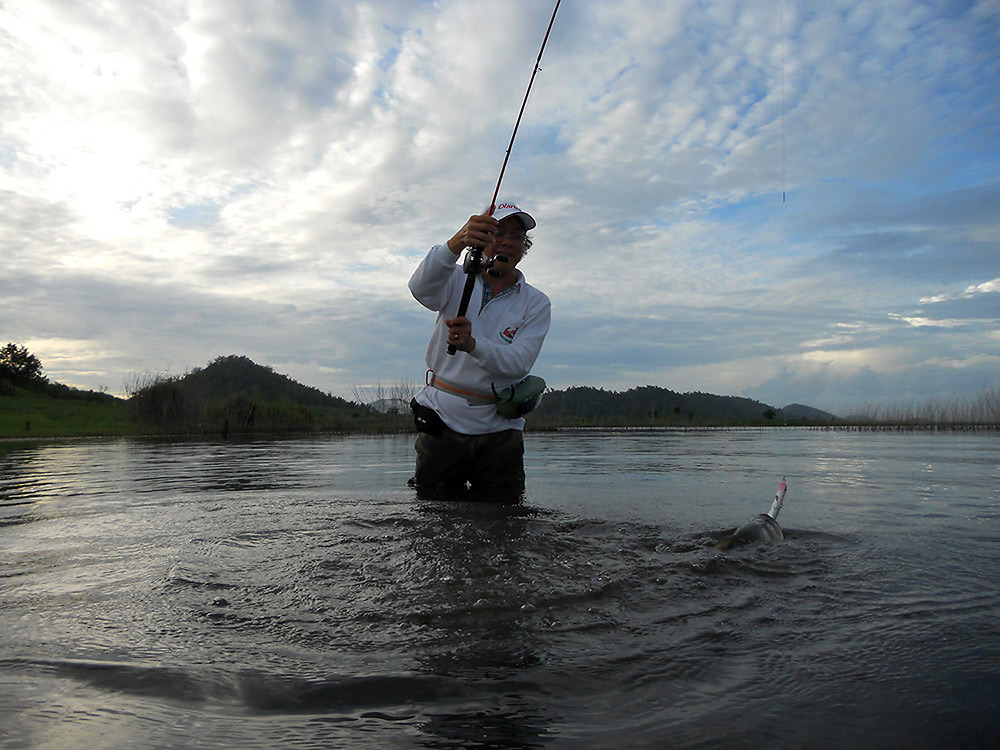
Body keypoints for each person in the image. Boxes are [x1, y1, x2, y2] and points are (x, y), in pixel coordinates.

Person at [407, 200, 551, 498]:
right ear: (483, 237)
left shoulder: (536, 302)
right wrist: (455, 243)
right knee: (434, 523)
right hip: (441, 420)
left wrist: (473, 345)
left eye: (517, 237)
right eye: (499, 233)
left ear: (524, 248)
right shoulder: (454, 277)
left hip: (501, 431)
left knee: (504, 524)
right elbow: (420, 289)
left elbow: (518, 364)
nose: (508, 243)